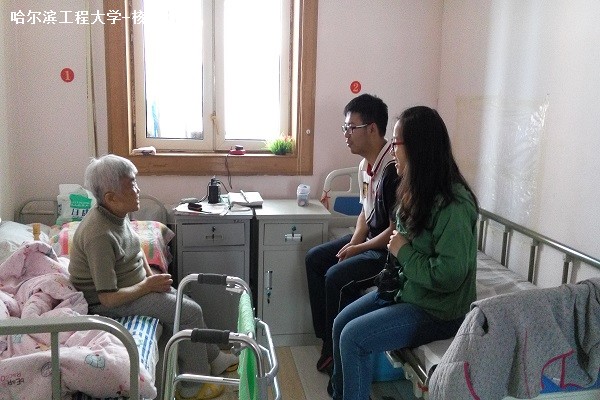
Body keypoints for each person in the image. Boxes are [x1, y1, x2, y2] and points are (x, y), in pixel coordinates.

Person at [328, 106, 479, 399]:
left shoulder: (454, 205)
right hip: (408, 292)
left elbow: (449, 275)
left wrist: (404, 251)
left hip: (438, 310)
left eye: (396, 143)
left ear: (418, 149)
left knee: (354, 338)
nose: (392, 150)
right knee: (340, 324)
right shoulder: (416, 190)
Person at [68, 154, 237, 400]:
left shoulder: (117, 215)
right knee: (189, 312)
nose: (138, 190)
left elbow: (136, 251)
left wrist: (153, 278)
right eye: (131, 185)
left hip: (133, 287)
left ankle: (215, 358)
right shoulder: (99, 235)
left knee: (186, 301)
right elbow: (107, 298)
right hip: (108, 303)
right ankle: (193, 385)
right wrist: (148, 286)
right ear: (111, 197)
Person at [306, 94, 400, 374]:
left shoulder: (393, 170)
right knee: (315, 259)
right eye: (344, 128)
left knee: (337, 277)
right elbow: (364, 212)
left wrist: (358, 249)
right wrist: (355, 241)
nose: (346, 134)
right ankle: (327, 336)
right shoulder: (364, 166)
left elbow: (395, 230)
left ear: (372, 129)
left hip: (387, 250)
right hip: (369, 240)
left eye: (351, 128)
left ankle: (334, 353)